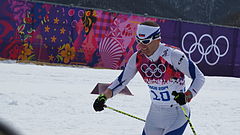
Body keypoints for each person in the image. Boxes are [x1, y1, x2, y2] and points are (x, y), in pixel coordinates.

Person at [93, 21, 205, 135]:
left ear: (157, 39)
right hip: (155, 114)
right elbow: (121, 82)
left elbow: (199, 77)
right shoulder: (137, 58)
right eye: (138, 41)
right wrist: (103, 97)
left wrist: (187, 96)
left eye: (146, 42)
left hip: (177, 113)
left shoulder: (173, 55)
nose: (141, 46)